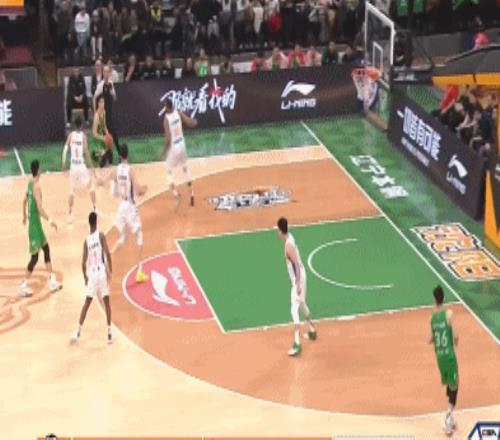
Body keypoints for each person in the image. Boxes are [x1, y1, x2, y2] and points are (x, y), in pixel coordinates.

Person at [19, 160, 61, 297]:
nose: (41, 170)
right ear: (38, 170)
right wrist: (51, 220)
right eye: (40, 169)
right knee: (35, 257)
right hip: (35, 226)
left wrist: (24, 216)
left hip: (35, 224)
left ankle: (52, 281)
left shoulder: (30, 183)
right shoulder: (37, 187)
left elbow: (24, 201)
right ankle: (23, 285)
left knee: (46, 249)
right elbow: (40, 208)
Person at [276, 217, 316, 357]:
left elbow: (297, 266)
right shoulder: (290, 237)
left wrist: (297, 284)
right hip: (301, 276)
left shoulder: (288, 246)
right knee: (302, 303)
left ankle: (297, 344)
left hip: (299, 279)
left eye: (277, 230)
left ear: (280, 231)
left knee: (294, 309)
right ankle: (312, 330)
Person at [71, 211, 113, 344]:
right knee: (106, 302)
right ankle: (109, 333)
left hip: (93, 275)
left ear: (89, 223)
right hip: (101, 272)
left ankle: (78, 332)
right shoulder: (101, 236)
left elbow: (83, 263)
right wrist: (110, 271)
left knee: (87, 303)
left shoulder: (86, 241)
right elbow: (107, 253)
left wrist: (85, 277)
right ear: (96, 222)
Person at [109, 144, 148, 283]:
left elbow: (112, 190)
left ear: (119, 155)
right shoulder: (130, 170)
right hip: (130, 207)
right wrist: (145, 189)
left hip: (121, 206)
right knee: (139, 236)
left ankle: (108, 256)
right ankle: (139, 272)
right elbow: (139, 191)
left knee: (123, 238)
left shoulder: (115, 170)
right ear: (127, 155)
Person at [429, 286, 459, 436]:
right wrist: (455, 342)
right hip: (449, 356)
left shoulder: (432, 318)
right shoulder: (449, 314)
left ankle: (451, 417)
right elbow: (456, 336)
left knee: (449, 384)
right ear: (443, 298)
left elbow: (431, 338)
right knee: (454, 387)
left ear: (435, 299)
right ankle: (448, 419)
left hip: (439, 358)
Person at [160, 98, 198, 207]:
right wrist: (194, 122)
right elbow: (189, 122)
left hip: (174, 147)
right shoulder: (178, 113)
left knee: (168, 171)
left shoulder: (166, 119)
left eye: (165, 106)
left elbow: (168, 138)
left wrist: (163, 151)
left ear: (167, 107)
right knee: (185, 169)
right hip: (182, 145)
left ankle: (175, 194)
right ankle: (191, 193)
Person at [62, 116, 96, 223]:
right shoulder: (83, 137)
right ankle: (94, 209)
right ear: (81, 126)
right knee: (91, 187)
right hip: (81, 166)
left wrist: (63, 163)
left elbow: (65, 149)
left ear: (74, 125)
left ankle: (70, 214)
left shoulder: (70, 135)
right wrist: (91, 166)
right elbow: (86, 152)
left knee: (71, 191)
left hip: (73, 166)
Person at [94, 65, 119, 153]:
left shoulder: (111, 84)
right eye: (104, 72)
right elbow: (94, 97)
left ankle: (119, 152)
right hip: (103, 115)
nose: (106, 73)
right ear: (103, 73)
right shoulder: (100, 85)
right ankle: (106, 154)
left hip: (110, 114)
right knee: (104, 136)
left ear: (109, 73)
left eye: (107, 72)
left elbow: (115, 98)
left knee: (113, 134)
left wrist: (112, 93)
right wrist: (95, 112)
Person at [92, 96, 112, 167]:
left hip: (102, 138)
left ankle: (107, 166)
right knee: (102, 159)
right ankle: (96, 157)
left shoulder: (104, 112)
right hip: (97, 140)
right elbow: (94, 133)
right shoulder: (96, 116)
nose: (103, 104)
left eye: (103, 102)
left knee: (110, 154)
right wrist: (103, 138)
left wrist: (107, 134)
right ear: (98, 104)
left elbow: (104, 125)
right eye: (101, 102)